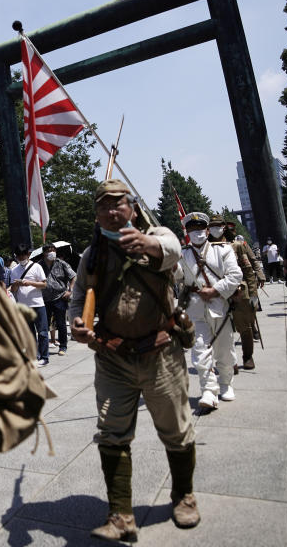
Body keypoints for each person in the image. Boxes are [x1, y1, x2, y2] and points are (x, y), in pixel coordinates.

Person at [69, 180, 199, 541]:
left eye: (118, 204)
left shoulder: (155, 234)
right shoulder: (91, 254)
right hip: (113, 357)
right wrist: (77, 323)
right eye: (103, 206)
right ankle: (121, 514)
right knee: (111, 432)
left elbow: (173, 249)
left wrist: (149, 245)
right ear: (96, 215)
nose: (112, 211)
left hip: (161, 354)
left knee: (176, 430)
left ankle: (184, 495)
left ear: (132, 206)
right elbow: (78, 296)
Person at [177, 212, 242, 411]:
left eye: (200, 229)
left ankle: (226, 383)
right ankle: (208, 390)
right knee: (199, 350)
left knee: (224, 348)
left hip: (219, 306)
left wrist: (215, 290)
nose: (197, 233)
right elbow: (176, 276)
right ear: (187, 232)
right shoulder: (183, 254)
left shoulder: (222, 250)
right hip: (194, 307)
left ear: (207, 230)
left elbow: (235, 275)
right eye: (192, 230)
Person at [216, 219, 263, 370]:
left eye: (219, 227)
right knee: (220, 329)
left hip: (239, 292)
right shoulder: (206, 248)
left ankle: (248, 356)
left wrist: (253, 292)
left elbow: (248, 269)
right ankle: (228, 359)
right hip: (218, 292)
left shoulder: (237, 246)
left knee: (245, 327)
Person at [9, 243, 50, 366]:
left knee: (42, 332)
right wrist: (17, 284)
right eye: (18, 257)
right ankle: (34, 356)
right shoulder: (14, 270)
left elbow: (44, 284)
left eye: (23, 256)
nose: (21, 259)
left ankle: (44, 357)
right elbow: (14, 290)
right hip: (24, 306)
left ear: (28, 254)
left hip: (37, 304)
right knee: (29, 333)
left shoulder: (36, 267)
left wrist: (30, 283)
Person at [40, 243, 76, 356]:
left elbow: (73, 276)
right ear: (44, 253)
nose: (51, 252)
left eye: (53, 250)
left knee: (61, 323)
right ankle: (43, 347)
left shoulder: (62, 263)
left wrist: (70, 291)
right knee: (44, 325)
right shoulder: (39, 265)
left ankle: (63, 346)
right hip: (44, 298)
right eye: (49, 250)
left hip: (60, 297)